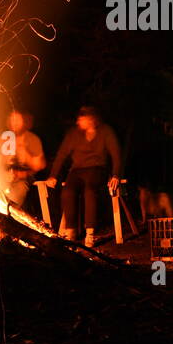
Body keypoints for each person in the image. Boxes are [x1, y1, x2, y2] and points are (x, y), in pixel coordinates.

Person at [46, 106, 123, 248]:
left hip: (97, 169)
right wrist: (53, 176)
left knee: (89, 190)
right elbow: (62, 155)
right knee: (68, 191)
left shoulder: (105, 131)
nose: (78, 122)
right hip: (77, 170)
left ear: (91, 120)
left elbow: (116, 154)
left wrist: (116, 174)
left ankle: (90, 233)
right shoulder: (74, 134)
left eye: (82, 119)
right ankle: (71, 231)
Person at [3, 108, 46, 211]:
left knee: (20, 188)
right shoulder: (5, 138)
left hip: (24, 177)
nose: (14, 123)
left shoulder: (33, 139)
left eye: (18, 120)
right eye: (12, 120)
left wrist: (25, 154)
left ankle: (11, 215)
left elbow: (39, 165)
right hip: (5, 176)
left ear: (25, 122)